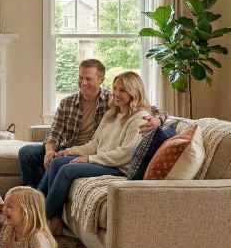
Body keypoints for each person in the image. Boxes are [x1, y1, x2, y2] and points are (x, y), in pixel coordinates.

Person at [18, 59, 167, 190]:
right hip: (72, 146)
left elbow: (148, 107)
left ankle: (37, 202)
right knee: (27, 152)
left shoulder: (113, 100)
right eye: (81, 78)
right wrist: (49, 150)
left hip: (95, 151)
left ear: (101, 80)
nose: (83, 83)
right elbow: (54, 132)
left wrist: (158, 119)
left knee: (58, 163)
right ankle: (29, 193)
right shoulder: (67, 103)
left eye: (88, 79)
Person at [38, 71, 152, 236]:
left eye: (122, 90)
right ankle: (53, 218)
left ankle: (40, 220)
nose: (116, 93)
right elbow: (95, 144)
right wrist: (68, 151)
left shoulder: (140, 118)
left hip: (118, 167)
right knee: (56, 162)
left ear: (134, 92)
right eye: (115, 88)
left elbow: (125, 154)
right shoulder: (112, 113)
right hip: (102, 160)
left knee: (66, 170)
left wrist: (90, 159)